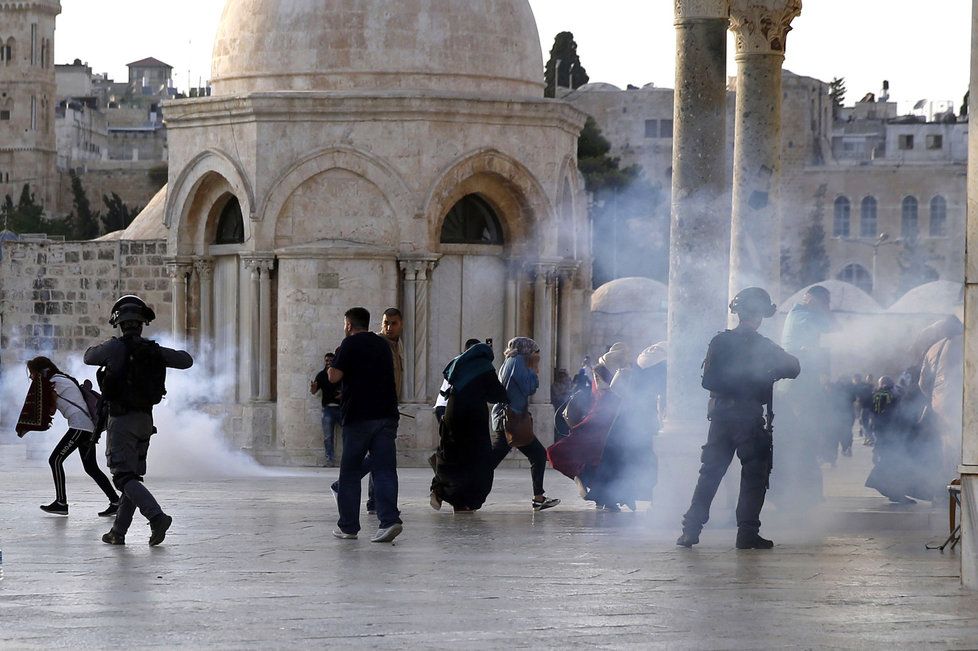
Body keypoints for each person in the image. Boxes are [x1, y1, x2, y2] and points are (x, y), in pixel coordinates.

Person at [677, 287, 800, 550]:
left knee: (709, 474)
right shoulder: (763, 346)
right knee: (754, 475)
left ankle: (691, 530)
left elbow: (708, 380)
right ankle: (746, 533)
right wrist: (762, 374)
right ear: (759, 316)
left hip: (721, 416)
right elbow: (794, 366)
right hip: (748, 417)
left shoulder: (719, 342)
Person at [84, 295, 193, 546]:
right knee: (132, 477)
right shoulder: (151, 350)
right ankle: (118, 532)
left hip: (121, 421)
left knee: (123, 478)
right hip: (145, 421)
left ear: (119, 323)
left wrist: (112, 348)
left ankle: (156, 517)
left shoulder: (115, 348)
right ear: (142, 324)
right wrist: (155, 352)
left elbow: (88, 357)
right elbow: (186, 360)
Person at [329, 307, 403, 543]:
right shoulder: (382, 344)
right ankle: (389, 521)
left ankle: (348, 526)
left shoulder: (349, 344)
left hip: (359, 416)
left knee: (350, 473)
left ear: (349, 325)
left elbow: (333, 377)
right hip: (387, 415)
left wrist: (335, 364)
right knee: (384, 470)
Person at [26, 356, 120, 517]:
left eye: (32, 373)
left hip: (80, 426)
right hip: (85, 427)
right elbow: (52, 409)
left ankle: (61, 503)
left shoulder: (54, 382)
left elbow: (49, 408)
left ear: (41, 371)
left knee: (55, 460)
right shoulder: (59, 380)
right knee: (91, 467)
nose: (31, 377)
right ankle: (115, 501)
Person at [430, 339, 509, 512]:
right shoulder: (484, 367)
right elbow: (497, 394)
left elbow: (446, 390)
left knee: (453, 455)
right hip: (473, 419)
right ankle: (469, 501)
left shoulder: (458, 364)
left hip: (452, 414)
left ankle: (444, 491)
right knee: (478, 461)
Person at [774, 285, 834, 511]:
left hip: (799, 383)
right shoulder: (803, 315)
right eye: (823, 302)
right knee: (802, 439)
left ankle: (806, 493)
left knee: (805, 439)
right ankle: (799, 493)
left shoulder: (803, 314)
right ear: (810, 299)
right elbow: (831, 328)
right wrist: (825, 310)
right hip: (797, 385)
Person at [490, 337, 560, 511]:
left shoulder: (510, 361)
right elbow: (530, 387)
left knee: (534, 455)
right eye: (534, 353)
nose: (536, 357)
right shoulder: (519, 362)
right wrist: (534, 370)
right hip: (512, 420)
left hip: (509, 419)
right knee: (535, 455)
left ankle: (539, 497)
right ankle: (464, 487)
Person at [310, 353, 341, 466]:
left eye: (331, 360)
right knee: (328, 436)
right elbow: (314, 391)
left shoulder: (340, 374)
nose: (329, 362)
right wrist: (313, 387)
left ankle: (350, 459)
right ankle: (329, 460)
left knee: (348, 434)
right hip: (328, 409)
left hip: (341, 408)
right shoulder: (322, 375)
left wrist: (343, 394)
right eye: (327, 360)